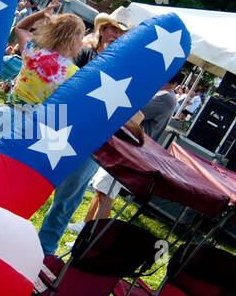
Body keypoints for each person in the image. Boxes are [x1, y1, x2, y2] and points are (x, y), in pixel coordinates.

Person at [34, 16, 130, 255]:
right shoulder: (82, 54)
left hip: (90, 140)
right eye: (114, 29)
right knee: (32, 182)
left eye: (122, 33)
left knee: (68, 199)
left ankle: (44, 250)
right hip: (57, 129)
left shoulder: (123, 69)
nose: (116, 35)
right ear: (103, 29)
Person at [74, 79, 179, 229]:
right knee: (101, 187)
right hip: (128, 148)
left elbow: (134, 110)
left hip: (132, 150)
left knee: (106, 192)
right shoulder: (165, 96)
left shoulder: (166, 98)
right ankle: (86, 225)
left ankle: (92, 234)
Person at [7, 8, 85, 106]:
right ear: (72, 40)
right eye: (81, 38)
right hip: (36, 120)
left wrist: (42, 13)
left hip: (6, 115)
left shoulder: (33, 52)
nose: (83, 43)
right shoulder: (74, 73)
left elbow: (21, 28)